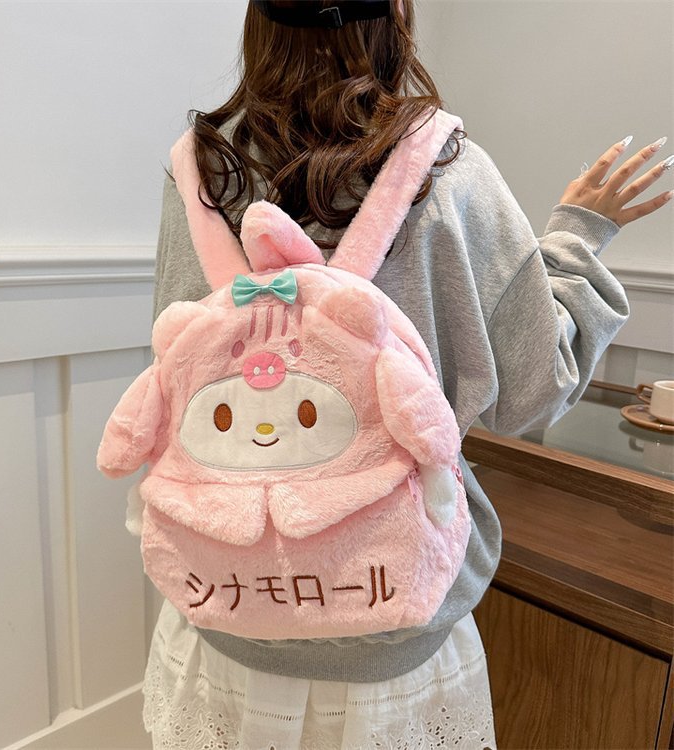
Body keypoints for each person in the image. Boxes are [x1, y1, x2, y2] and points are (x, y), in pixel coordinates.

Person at [141, 1, 672, 747]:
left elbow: (179, 367)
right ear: (395, 10)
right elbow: (530, 392)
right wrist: (577, 237)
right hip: (392, 616)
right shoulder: (448, 170)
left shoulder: (202, 170)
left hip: (227, 603)